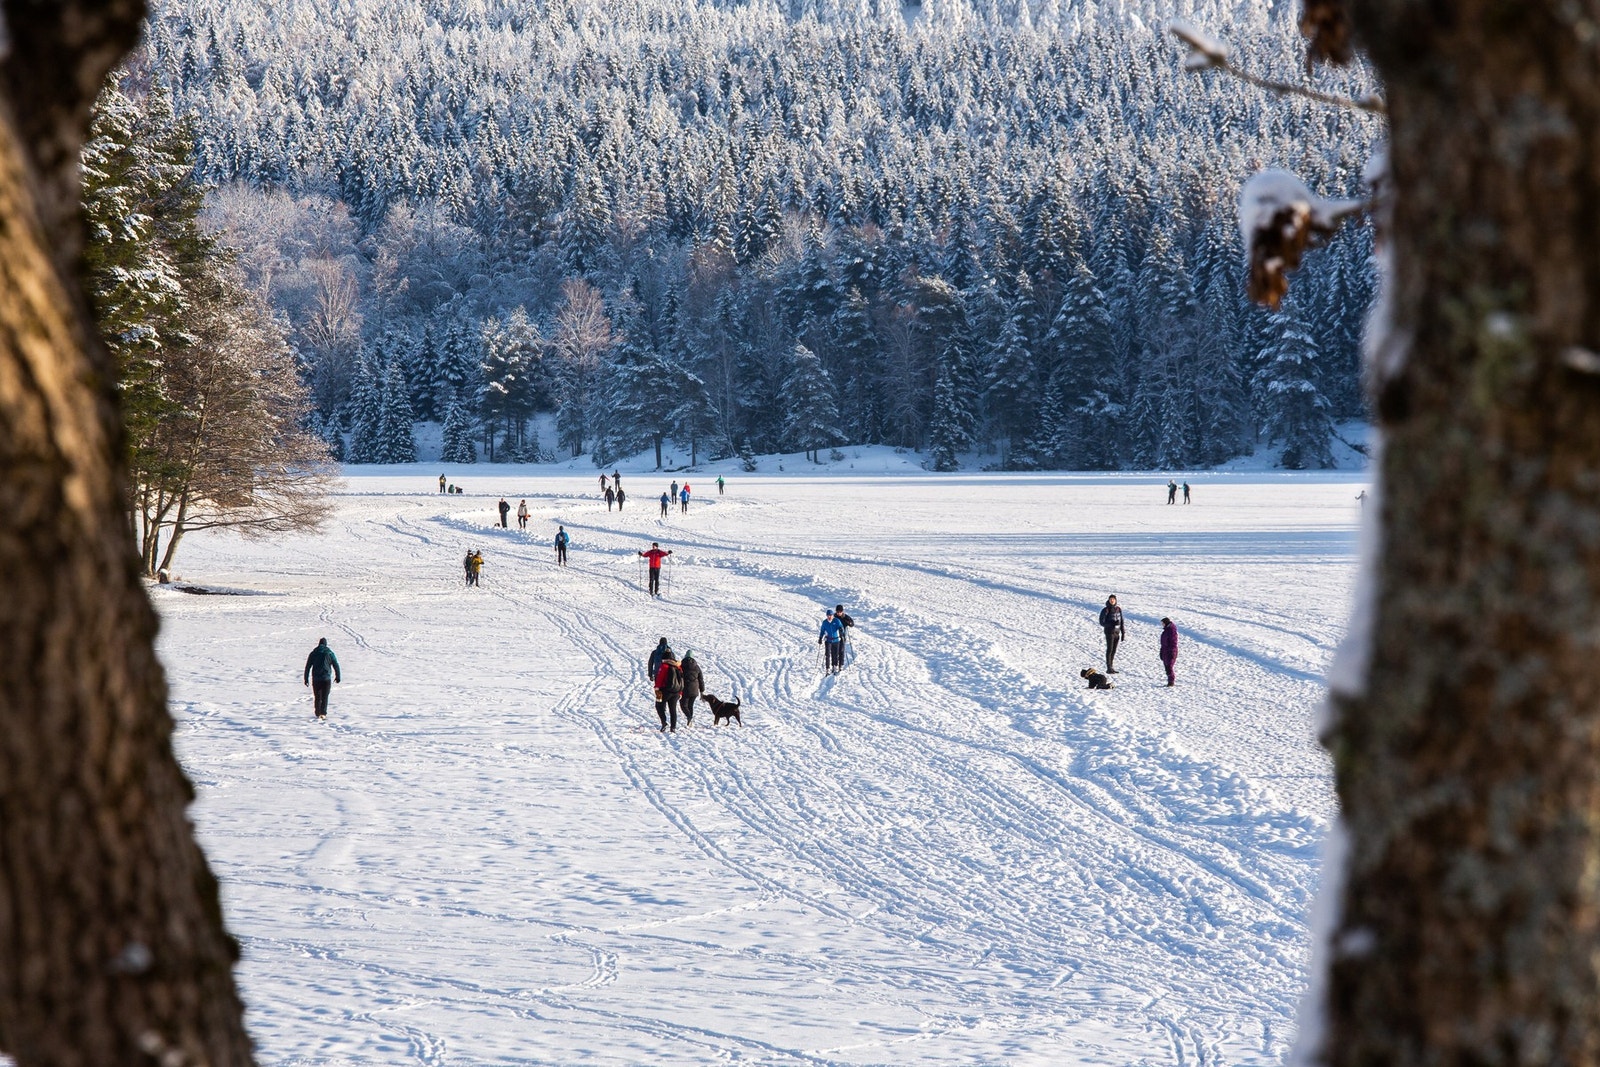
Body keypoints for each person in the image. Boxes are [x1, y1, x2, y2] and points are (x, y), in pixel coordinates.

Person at [303, 637, 342, 719]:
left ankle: (317, 713)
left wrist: (306, 678)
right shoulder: (330, 653)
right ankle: (323, 714)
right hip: (326, 678)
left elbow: (308, 667)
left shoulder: (313, 653)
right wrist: (338, 676)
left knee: (317, 696)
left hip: (316, 679)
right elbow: (336, 665)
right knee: (325, 696)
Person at [654, 650, 685, 731]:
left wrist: (656, 688)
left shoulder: (664, 666)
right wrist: (680, 692)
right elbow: (681, 681)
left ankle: (664, 722)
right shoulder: (678, 667)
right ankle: (673, 727)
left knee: (658, 705)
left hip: (663, 691)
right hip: (676, 692)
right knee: (673, 709)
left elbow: (660, 679)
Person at [1099, 594, 1125, 673]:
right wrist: (1111, 624)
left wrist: (1123, 632)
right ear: (1108, 600)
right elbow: (1101, 622)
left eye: (1113, 599)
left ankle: (1111, 666)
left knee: (1114, 650)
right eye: (1111, 599)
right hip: (1109, 632)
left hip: (1117, 632)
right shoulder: (1105, 610)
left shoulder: (1118, 609)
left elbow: (1121, 621)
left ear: (1115, 600)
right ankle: (1108, 667)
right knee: (1110, 649)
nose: (1112, 601)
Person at [679, 649, 704, 725]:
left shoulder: (682, 665)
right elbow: (701, 679)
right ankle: (690, 720)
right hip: (695, 689)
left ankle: (689, 717)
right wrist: (702, 691)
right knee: (690, 705)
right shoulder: (697, 667)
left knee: (683, 705)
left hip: (685, 688)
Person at [819, 609, 846, 674]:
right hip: (828, 640)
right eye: (828, 615)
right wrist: (820, 638)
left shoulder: (836, 621)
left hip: (836, 640)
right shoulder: (825, 622)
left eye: (831, 615)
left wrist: (841, 631)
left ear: (833, 615)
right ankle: (827, 668)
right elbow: (822, 631)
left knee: (835, 654)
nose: (829, 617)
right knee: (827, 654)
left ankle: (835, 666)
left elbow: (841, 627)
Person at [1159, 617, 1179, 686]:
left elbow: (1174, 643)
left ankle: (1171, 682)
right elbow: (1163, 643)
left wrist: (1171, 652)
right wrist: (1161, 651)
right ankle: (1169, 681)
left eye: (1162, 623)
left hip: (1170, 652)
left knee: (1169, 667)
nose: (1162, 625)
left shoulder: (1172, 631)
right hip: (1165, 651)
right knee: (1166, 667)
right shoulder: (1166, 631)